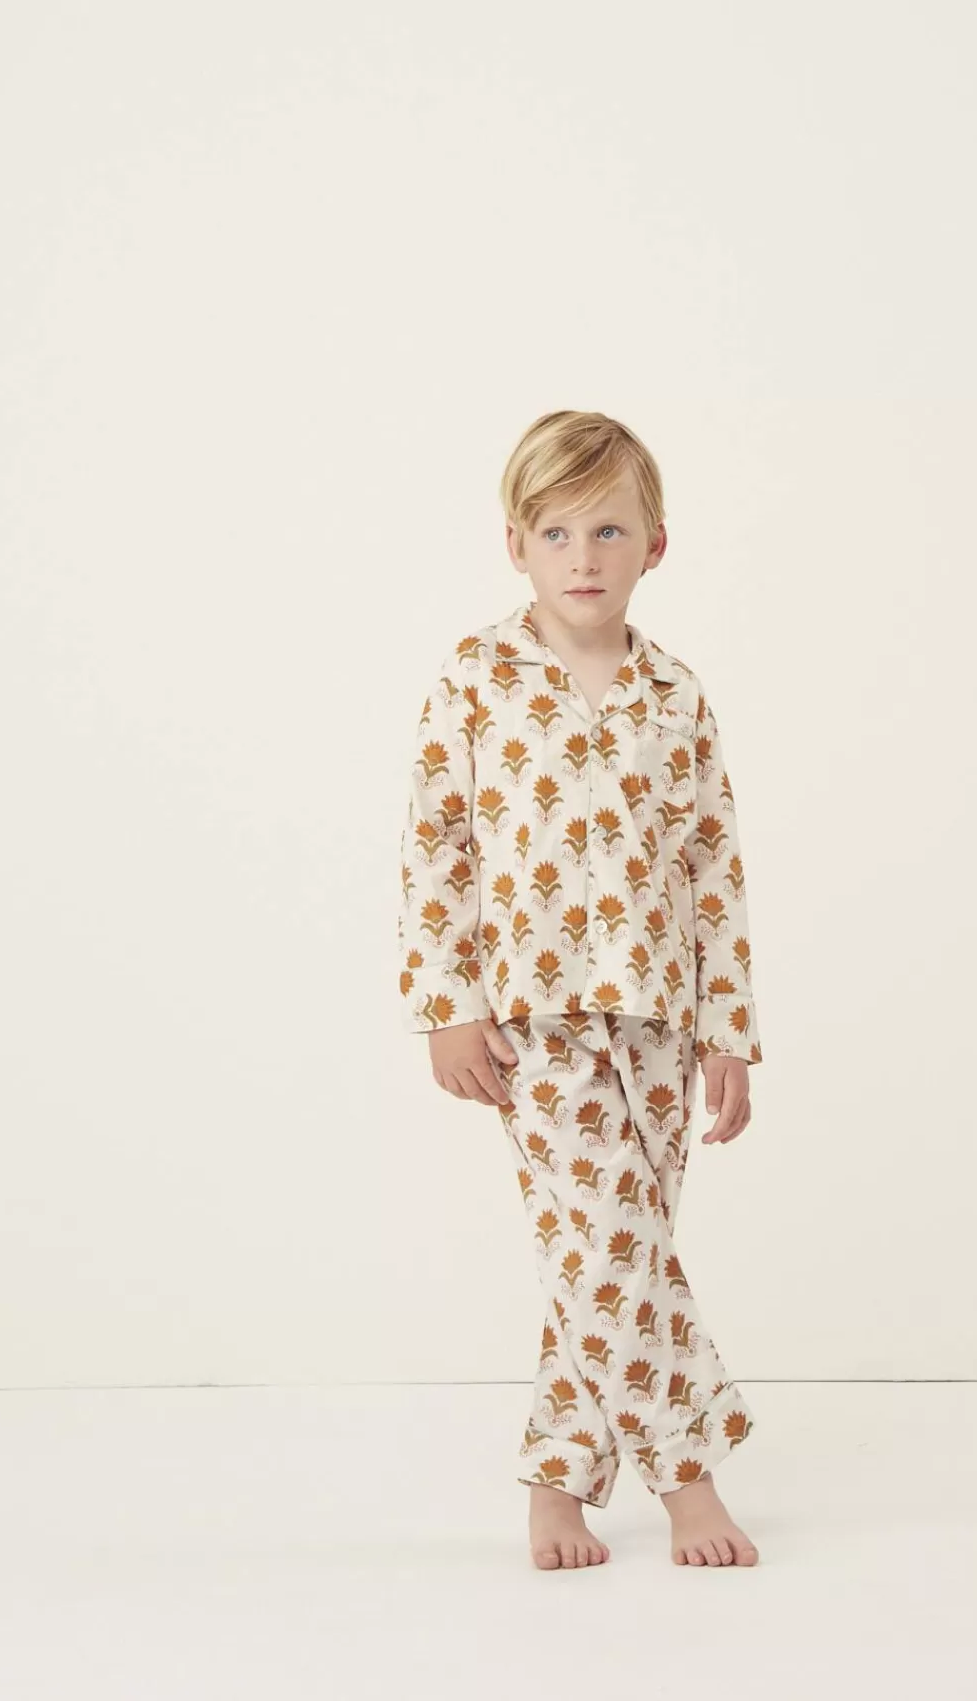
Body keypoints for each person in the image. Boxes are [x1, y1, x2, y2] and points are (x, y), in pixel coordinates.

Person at [396, 409, 764, 1571]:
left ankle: (557, 1483)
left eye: (609, 530)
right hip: (533, 1017)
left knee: (611, 1253)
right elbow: (436, 846)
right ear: (516, 545)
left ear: (656, 544)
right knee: (609, 1248)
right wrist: (446, 1003)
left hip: (659, 1012)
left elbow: (713, 865)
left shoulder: (677, 695)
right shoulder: (476, 679)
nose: (584, 557)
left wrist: (728, 1031)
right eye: (556, 532)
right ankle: (689, 1476)